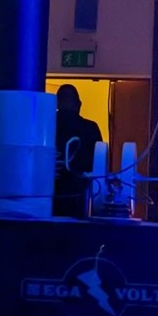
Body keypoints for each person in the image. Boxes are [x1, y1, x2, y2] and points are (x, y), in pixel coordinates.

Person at [52, 83, 103, 218]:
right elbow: (100, 163)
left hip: (49, 192)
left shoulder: (46, 126)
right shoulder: (90, 128)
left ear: (57, 103)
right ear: (79, 104)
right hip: (80, 192)